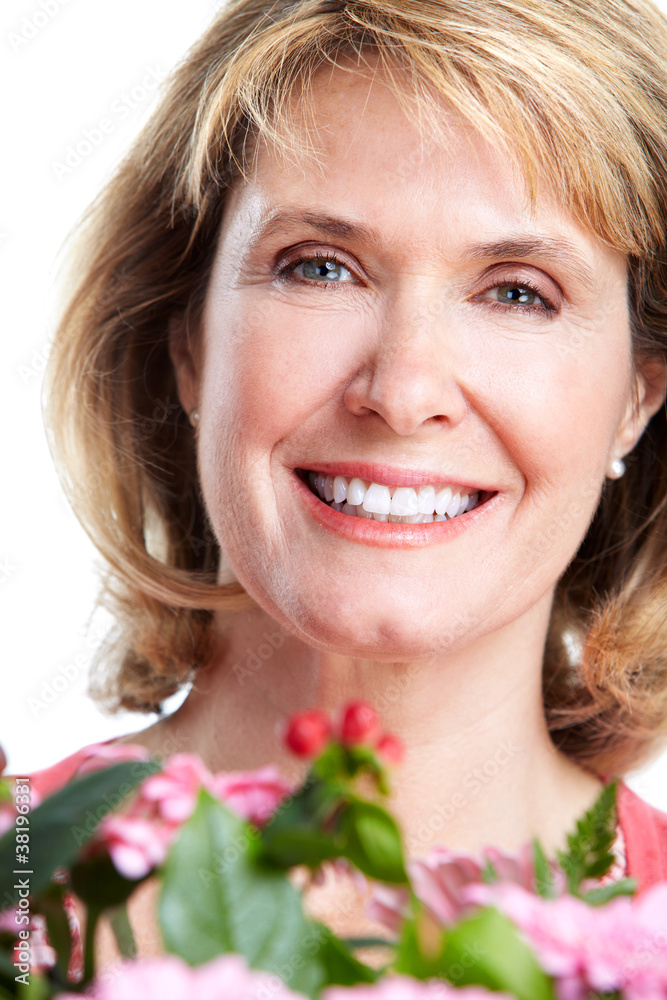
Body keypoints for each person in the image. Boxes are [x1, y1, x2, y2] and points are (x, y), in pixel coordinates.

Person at [42, 0, 667, 951]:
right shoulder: (20, 881)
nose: (404, 389)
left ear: (637, 394)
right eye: (320, 268)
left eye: (515, 292)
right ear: (188, 349)